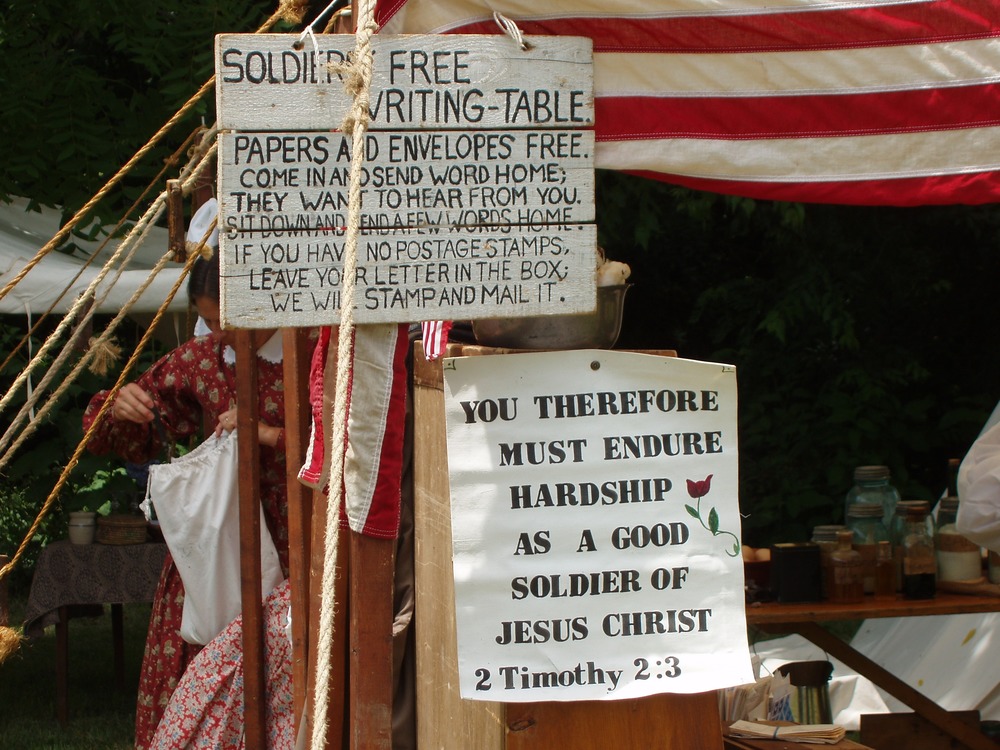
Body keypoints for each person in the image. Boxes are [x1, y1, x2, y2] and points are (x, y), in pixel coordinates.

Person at [83, 251, 290, 749]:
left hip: (298, 543)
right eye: (210, 321)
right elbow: (137, 430)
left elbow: (350, 444)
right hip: (215, 547)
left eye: (227, 320)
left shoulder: (315, 353)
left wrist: (267, 435)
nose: (219, 333)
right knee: (198, 678)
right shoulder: (204, 359)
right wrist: (120, 406)